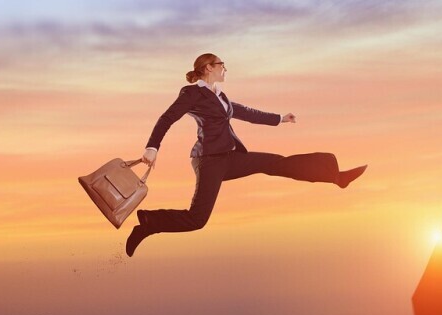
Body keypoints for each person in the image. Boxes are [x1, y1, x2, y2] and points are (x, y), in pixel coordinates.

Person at [126, 53, 367, 256]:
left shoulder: (219, 95)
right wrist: (152, 147)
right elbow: (167, 118)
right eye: (222, 65)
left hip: (230, 158)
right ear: (209, 67)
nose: (225, 69)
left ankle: (335, 176)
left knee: (275, 163)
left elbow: (244, 112)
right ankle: (149, 223)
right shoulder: (191, 94)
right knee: (197, 220)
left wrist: (279, 118)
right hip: (209, 161)